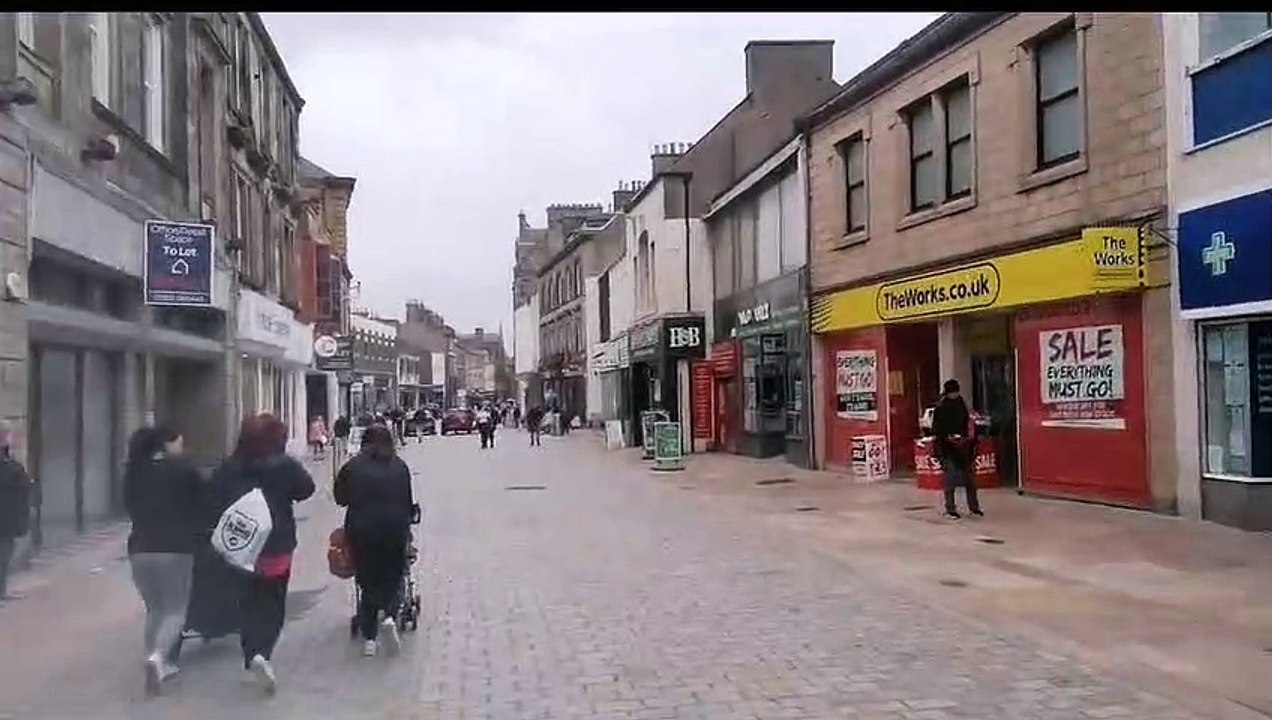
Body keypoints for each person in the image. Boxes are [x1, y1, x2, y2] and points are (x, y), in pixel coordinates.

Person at [209, 414, 315, 695]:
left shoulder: (230, 466)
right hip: (276, 545)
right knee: (274, 602)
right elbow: (307, 489)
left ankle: (250, 654)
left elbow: (214, 497)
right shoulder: (284, 464)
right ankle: (262, 653)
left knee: (248, 603)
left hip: (242, 547)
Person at [123, 424, 204, 696]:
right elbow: (201, 501)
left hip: (139, 549)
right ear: (166, 444)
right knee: (176, 610)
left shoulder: (134, 472)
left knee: (155, 609)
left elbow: (130, 507)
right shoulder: (183, 469)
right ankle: (158, 658)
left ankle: (154, 658)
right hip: (176, 548)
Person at [333, 424, 415, 658]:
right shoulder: (400, 466)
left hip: (362, 531)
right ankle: (389, 616)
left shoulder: (352, 467)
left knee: (367, 582)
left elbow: (340, 498)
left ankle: (370, 638)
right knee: (393, 576)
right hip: (395, 530)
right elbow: (408, 502)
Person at [932, 379, 983, 519]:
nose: (955, 395)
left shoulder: (962, 404)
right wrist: (947, 439)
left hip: (964, 448)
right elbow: (937, 430)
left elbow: (968, 423)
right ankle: (950, 508)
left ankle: (974, 507)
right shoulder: (941, 408)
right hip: (948, 449)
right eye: (952, 392)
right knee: (951, 480)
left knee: (970, 480)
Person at [0, 421, 32, 602]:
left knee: (5, 553)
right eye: (9, 435)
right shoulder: (7, 463)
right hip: (5, 515)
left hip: (8, 515)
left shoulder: (8, 459)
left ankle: (2, 590)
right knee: (3, 553)